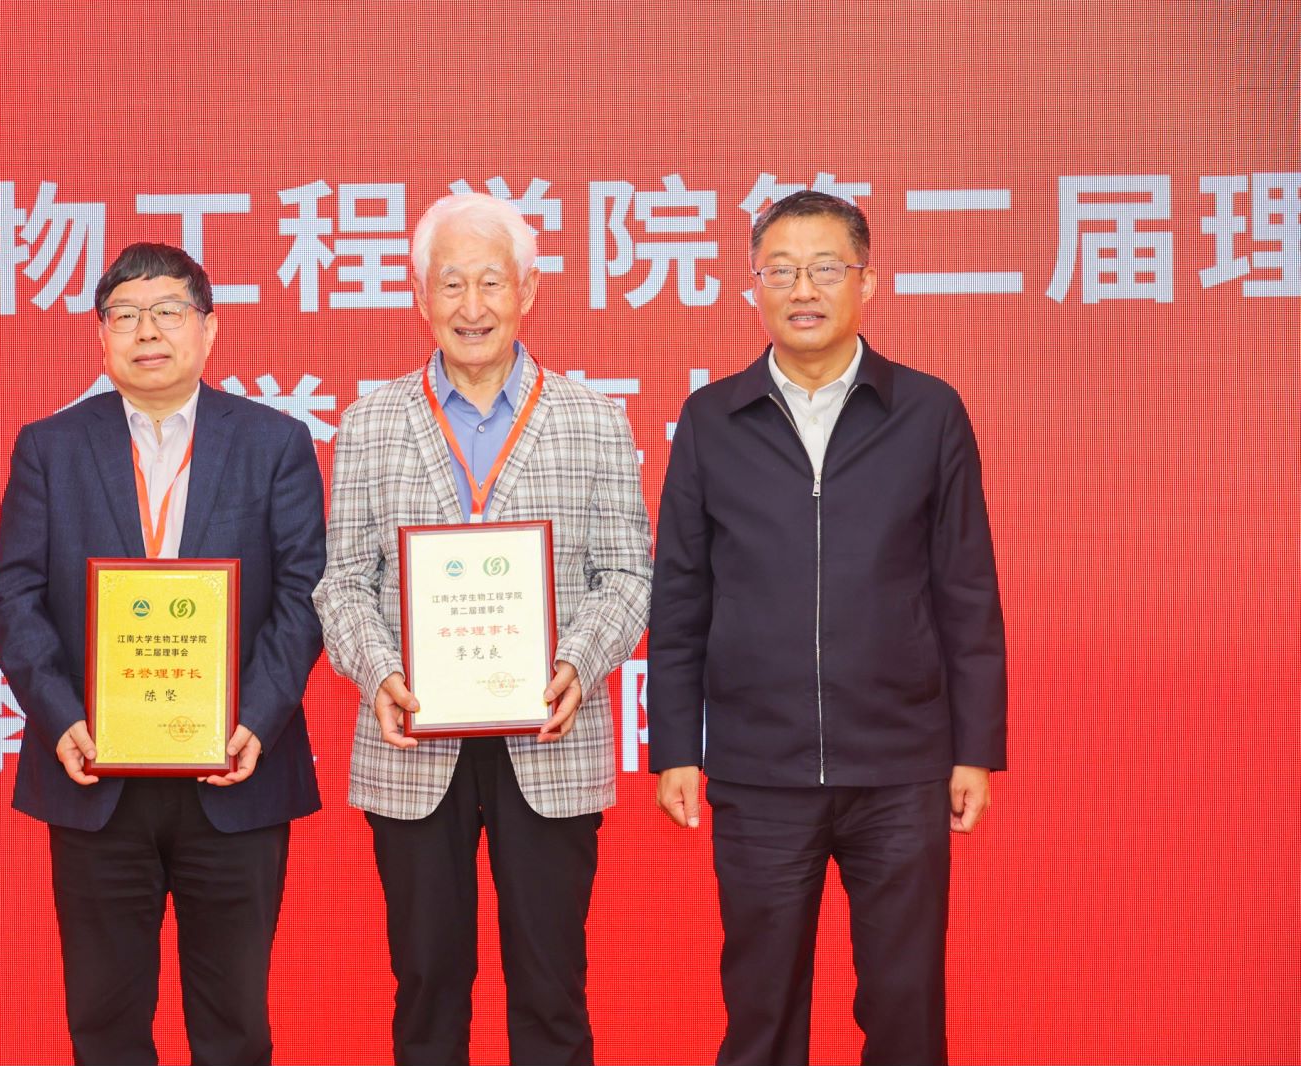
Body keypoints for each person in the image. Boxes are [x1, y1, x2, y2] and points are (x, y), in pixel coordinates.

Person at [647, 190, 1007, 1066]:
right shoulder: (711, 420)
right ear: (754, 287)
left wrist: (974, 749)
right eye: (780, 271)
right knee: (761, 1011)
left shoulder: (928, 412)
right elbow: (681, 594)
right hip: (758, 771)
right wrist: (675, 748)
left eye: (823, 269)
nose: (801, 289)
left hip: (901, 767)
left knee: (905, 1008)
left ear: (867, 281)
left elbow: (966, 589)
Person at [312, 193, 651, 1066]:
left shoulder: (592, 418)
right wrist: (380, 671)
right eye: (451, 283)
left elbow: (628, 577)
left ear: (527, 290)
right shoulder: (370, 422)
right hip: (412, 742)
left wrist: (578, 662)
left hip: (551, 736)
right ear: (419, 294)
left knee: (551, 990)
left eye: (491, 282)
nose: (472, 306)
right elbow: (342, 583)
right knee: (427, 988)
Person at [0, 242, 325, 1066]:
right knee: (104, 1023)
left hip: (236, 774)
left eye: (169, 311)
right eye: (125, 315)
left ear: (209, 329)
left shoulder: (274, 442)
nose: (148, 331)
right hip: (97, 775)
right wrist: (62, 718)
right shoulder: (51, 447)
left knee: (234, 1025)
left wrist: (256, 719)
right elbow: (14, 596)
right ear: (101, 336)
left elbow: (305, 592)